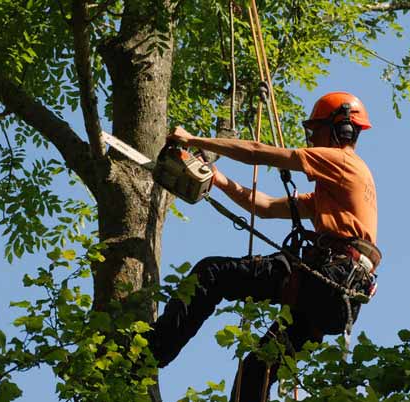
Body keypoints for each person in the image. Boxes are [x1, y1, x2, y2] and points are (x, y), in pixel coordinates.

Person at [149, 92, 381, 401]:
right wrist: (218, 179)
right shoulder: (333, 191)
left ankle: (147, 356)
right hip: (337, 298)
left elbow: (259, 152)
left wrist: (196, 140)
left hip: (329, 280)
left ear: (342, 130)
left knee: (213, 273)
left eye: (316, 130)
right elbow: (266, 206)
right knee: (258, 368)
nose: (312, 138)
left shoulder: (341, 162)